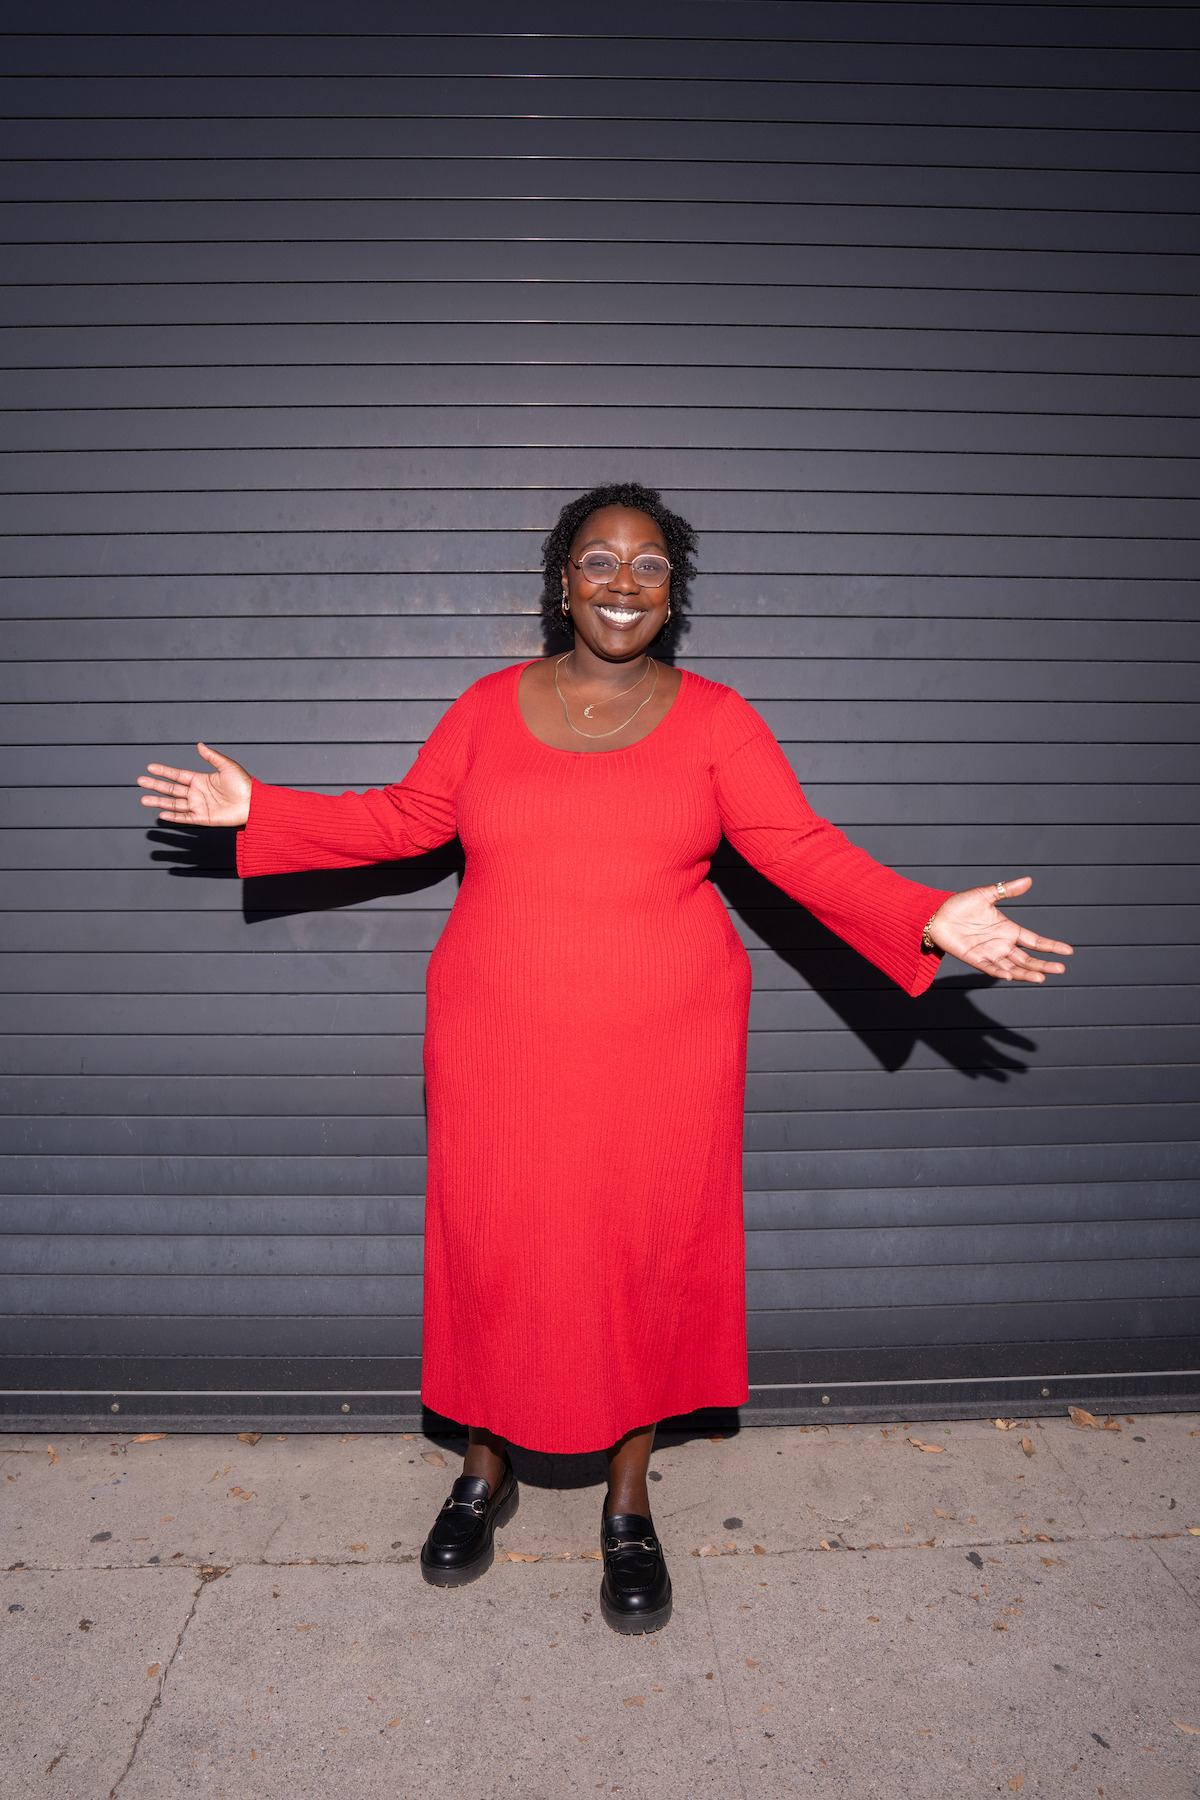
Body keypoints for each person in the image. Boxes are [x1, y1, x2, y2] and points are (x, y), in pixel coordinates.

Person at [138, 480, 1072, 1636]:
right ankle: (483, 1469)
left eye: (647, 566)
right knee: (494, 1240)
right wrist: (261, 812)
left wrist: (930, 916)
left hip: (663, 1042)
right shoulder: (486, 707)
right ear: (561, 581)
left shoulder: (721, 721)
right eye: (597, 561)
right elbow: (404, 820)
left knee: (645, 1249)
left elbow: (799, 850)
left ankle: (628, 1500)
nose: (621, 583)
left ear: (672, 591)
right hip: (497, 1034)